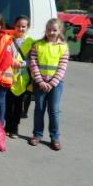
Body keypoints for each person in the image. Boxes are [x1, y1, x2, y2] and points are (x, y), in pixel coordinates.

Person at [28, 18, 68, 151]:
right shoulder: (37, 44)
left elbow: (62, 67)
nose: (51, 32)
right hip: (40, 83)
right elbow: (33, 64)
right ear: (45, 30)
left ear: (60, 31)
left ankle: (55, 138)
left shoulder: (63, 47)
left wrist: (51, 84)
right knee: (39, 109)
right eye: (49, 29)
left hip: (55, 85)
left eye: (54, 30)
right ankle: (37, 135)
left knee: (54, 111)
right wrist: (40, 81)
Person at [4, 16, 34, 139]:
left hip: (23, 79)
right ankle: (7, 126)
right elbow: (4, 55)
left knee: (18, 105)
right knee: (8, 104)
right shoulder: (8, 40)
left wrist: (22, 63)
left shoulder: (31, 42)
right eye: (18, 26)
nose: (20, 28)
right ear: (14, 26)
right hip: (9, 77)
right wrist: (11, 61)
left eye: (23, 26)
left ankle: (14, 128)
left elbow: (33, 60)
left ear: (27, 28)